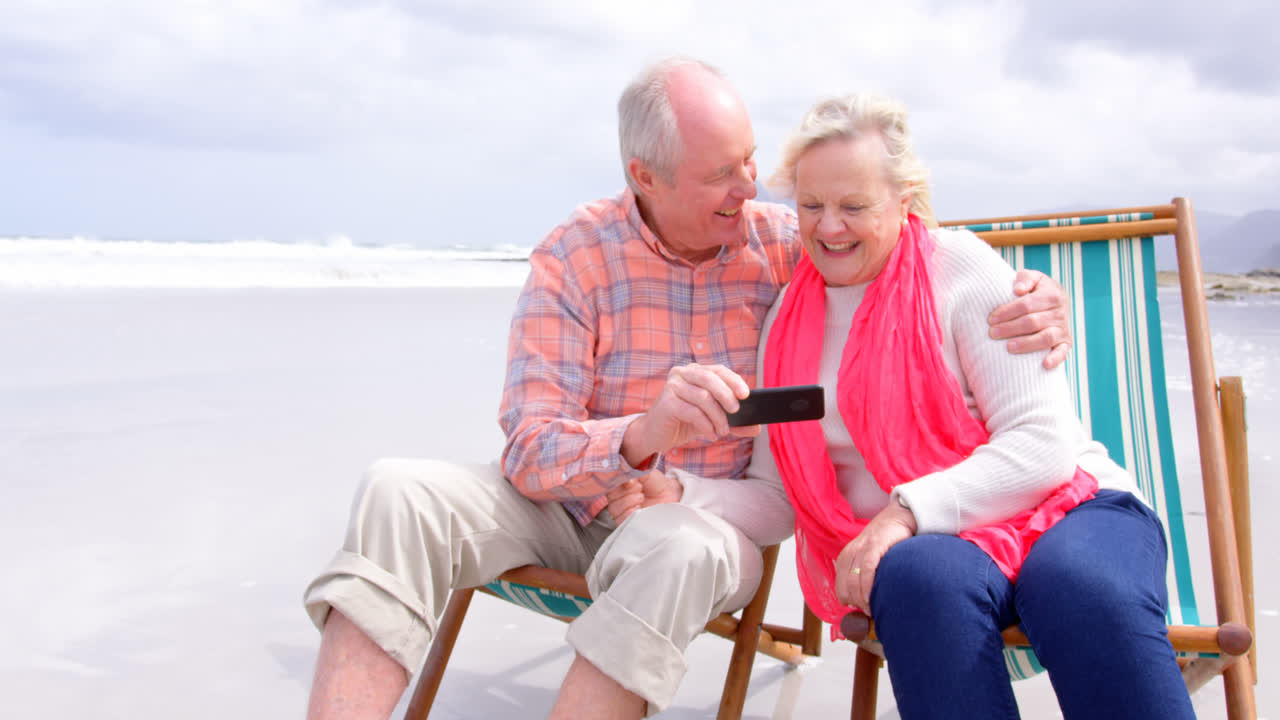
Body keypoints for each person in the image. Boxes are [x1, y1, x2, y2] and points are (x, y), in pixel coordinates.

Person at [301, 59, 1073, 720]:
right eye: (719, 175)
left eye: (748, 161)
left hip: (704, 521)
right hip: (562, 508)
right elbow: (529, 452)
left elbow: (895, 242)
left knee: (674, 548)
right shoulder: (576, 255)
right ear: (645, 176)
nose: (748, 188)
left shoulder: (786, 243)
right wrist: (642, 434)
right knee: (396, 490)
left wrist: (1030, 294)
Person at [728, 93, 1192, 719]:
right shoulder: (785, 322)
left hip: (1069, 509)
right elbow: (773, 491)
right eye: (811, 205)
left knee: (1076, 586)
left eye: (854, 206)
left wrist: (901, 514)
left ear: (904, 199)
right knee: (918, 579)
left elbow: (1041, 445)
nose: (828, 226)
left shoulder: (960, 269)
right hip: (942, 551)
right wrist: (672, 492)